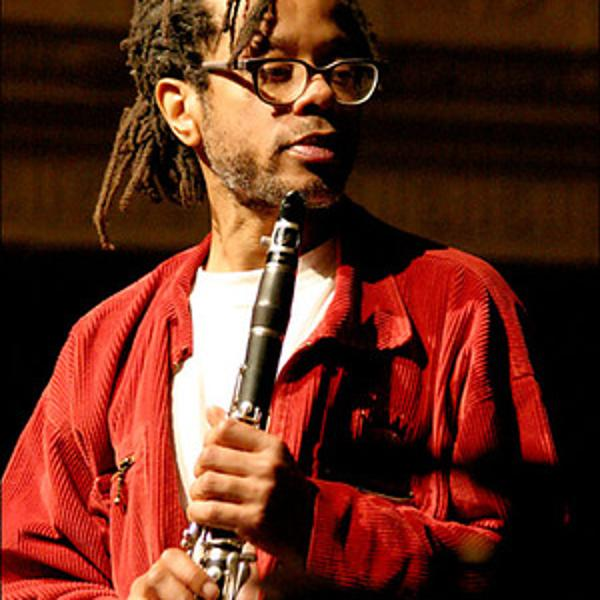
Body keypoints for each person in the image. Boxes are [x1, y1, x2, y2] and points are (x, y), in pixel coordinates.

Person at [2, 1, 559, 598]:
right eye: (273, 70)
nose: (319, 94)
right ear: (182, 108)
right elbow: (23, 574)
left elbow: (532, 565)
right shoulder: (106, 342)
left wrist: (313, 521)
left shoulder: (460, 304)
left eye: (342, 70)